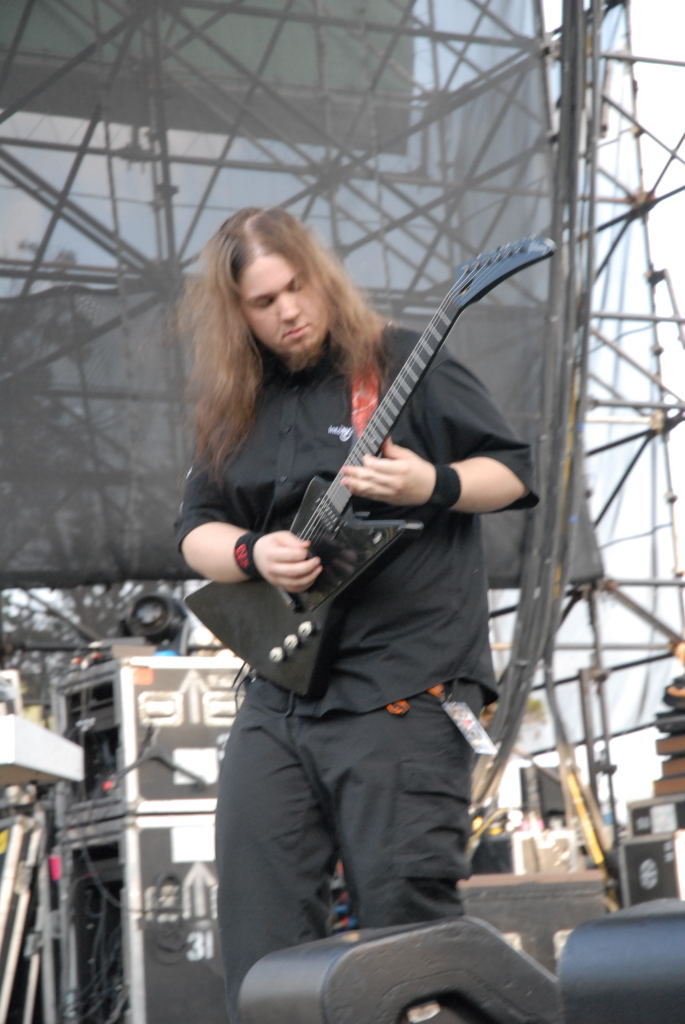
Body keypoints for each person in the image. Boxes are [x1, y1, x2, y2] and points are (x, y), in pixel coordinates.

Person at [175, 206, 538, 1023]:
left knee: (409, 939)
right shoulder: (234, 402)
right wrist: (252, 554)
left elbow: (513, 472)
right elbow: (193, 530)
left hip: (404, 685)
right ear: (237, 315)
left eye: (295, 288)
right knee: (261, 942)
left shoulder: (401, 358)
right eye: (263, 302)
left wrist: (432, 483)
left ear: (320, 276)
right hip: (280, 697)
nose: (288, 311)